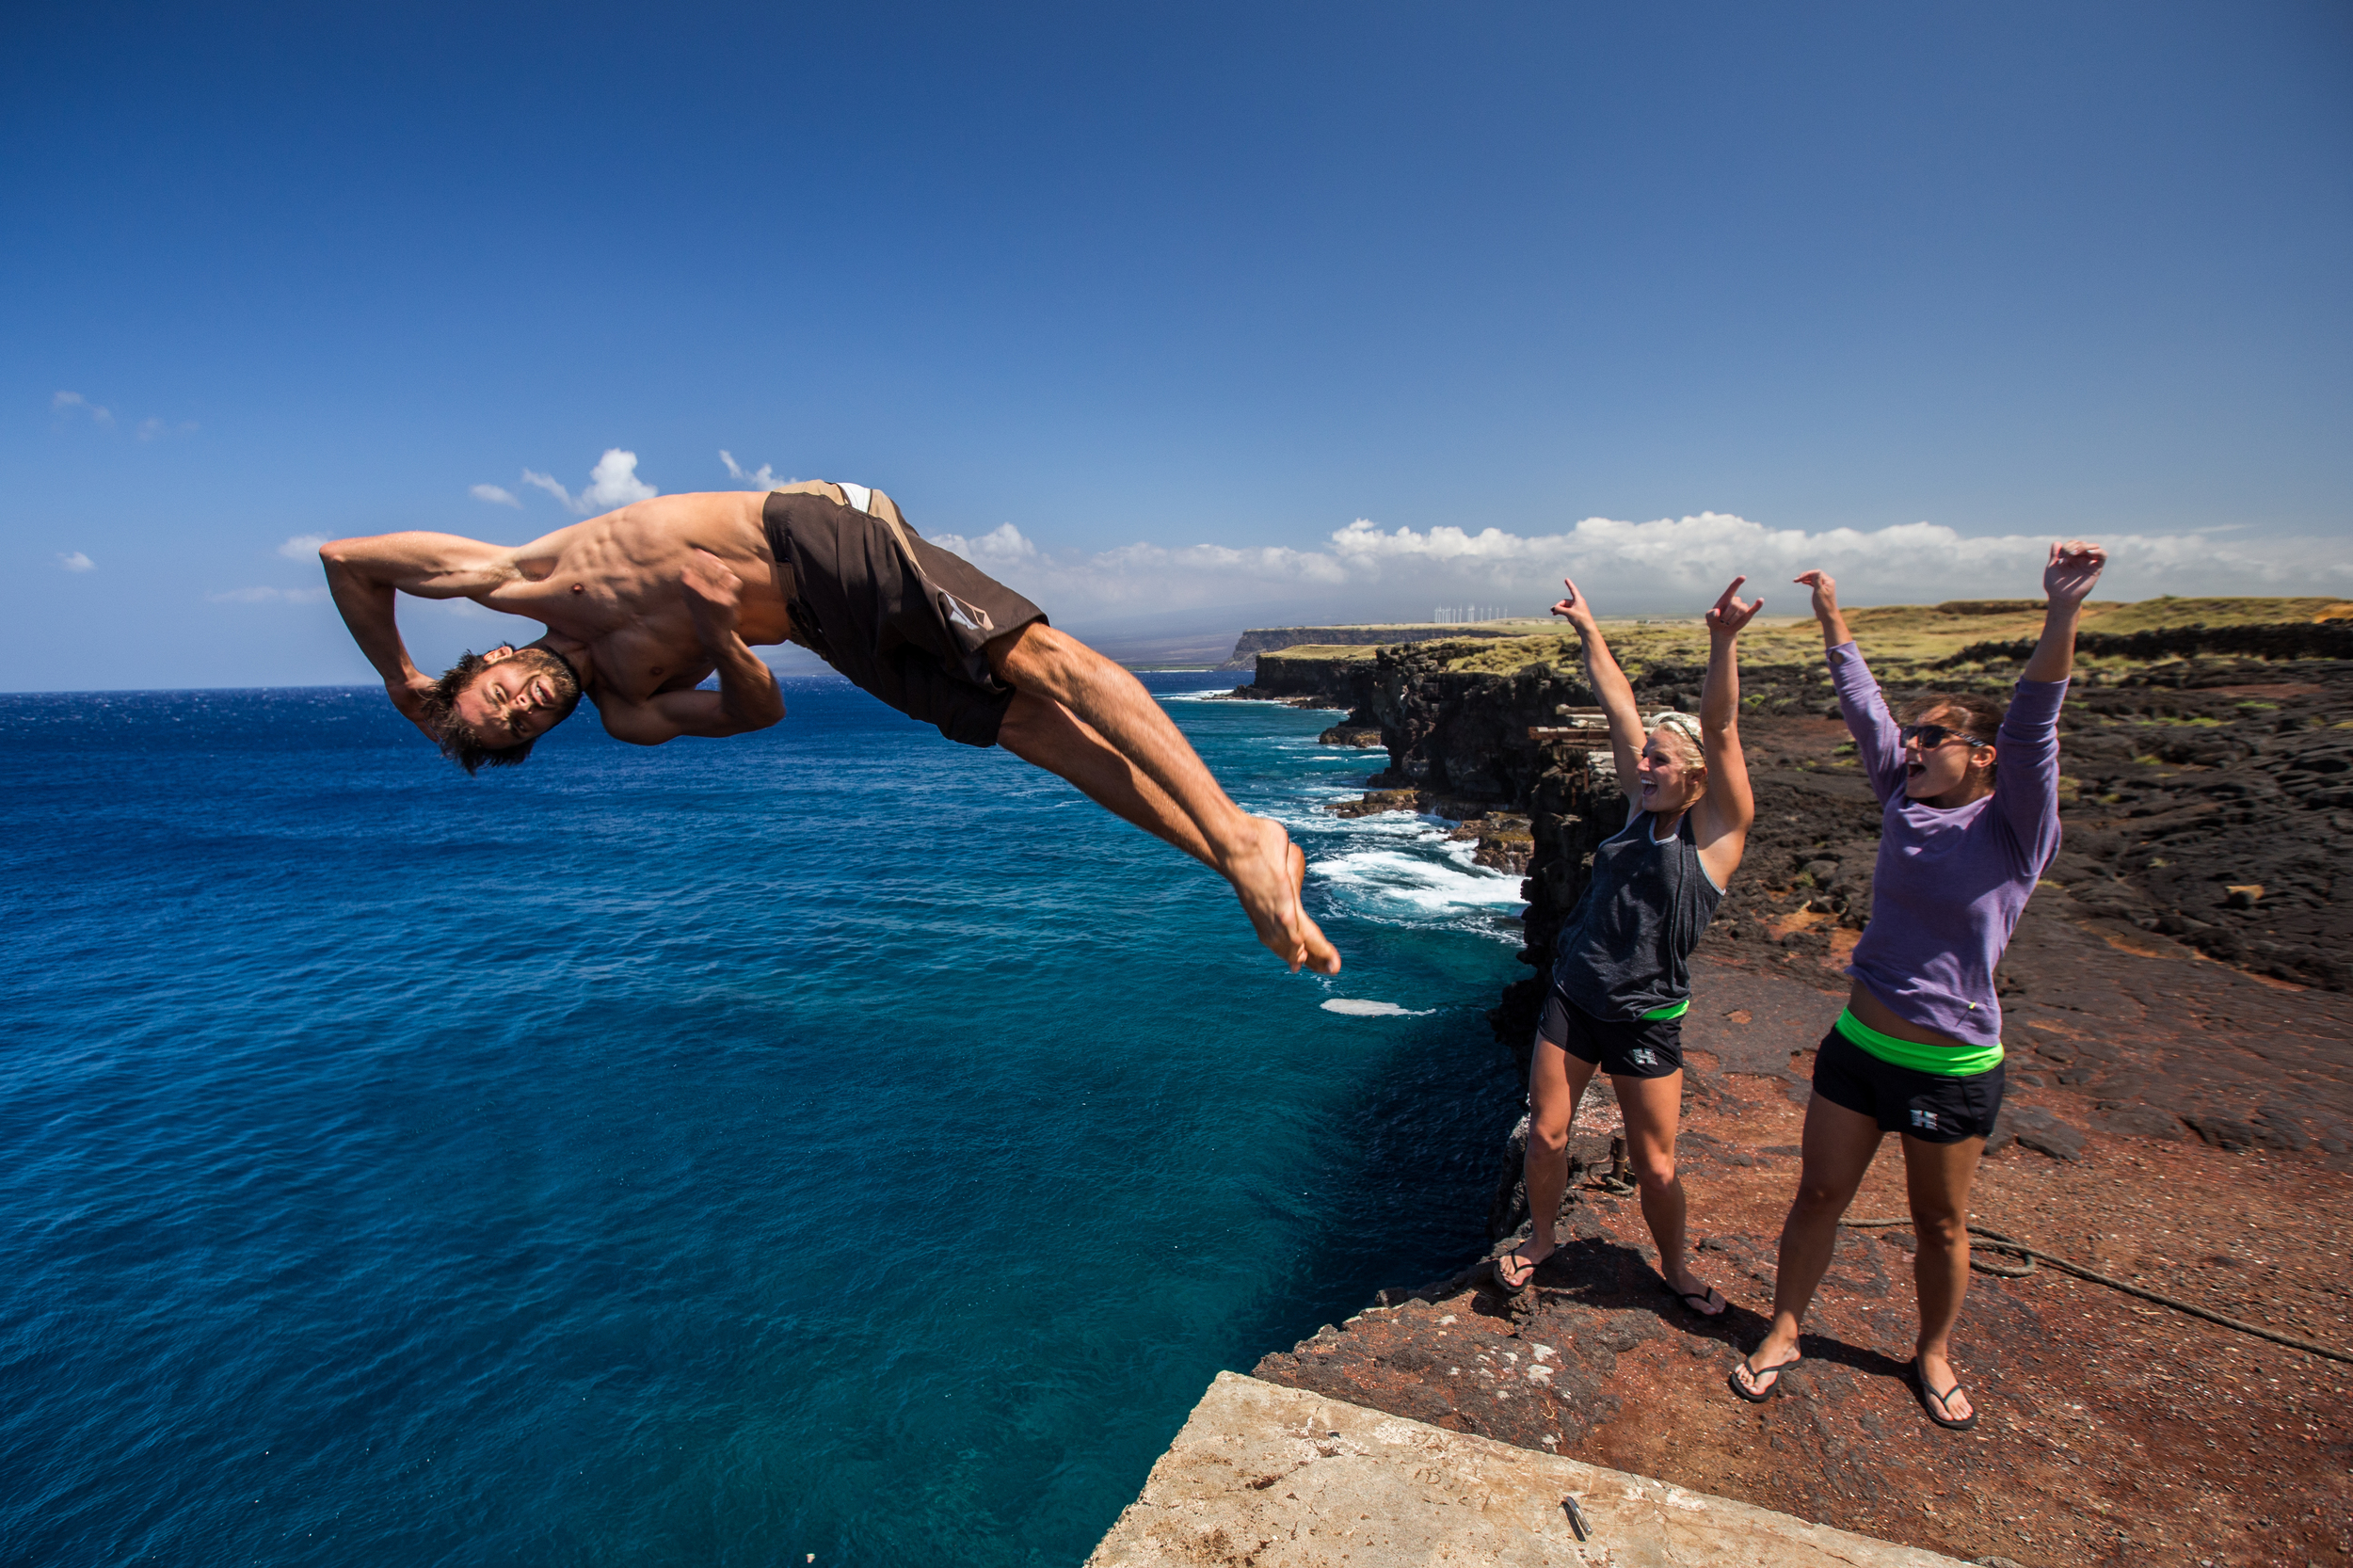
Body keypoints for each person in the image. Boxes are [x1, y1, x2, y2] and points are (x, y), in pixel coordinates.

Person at [318, 480, 1338, 975]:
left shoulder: (520, 577)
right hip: (816, 627)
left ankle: (1238, 833)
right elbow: (757, 709)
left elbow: (344, 559)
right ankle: (1233, 858)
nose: (523, 708)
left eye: (497, 700)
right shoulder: (629, 708)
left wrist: (403, 677)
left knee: (1038, 657)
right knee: (1023, 727)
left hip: (811, 538)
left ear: (492, 660)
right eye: (516, 732)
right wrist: (719, 630)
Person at [1728, 541, 2107, 1431]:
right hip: (1858, 1049)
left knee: (1939, 1223)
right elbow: (1864, 710)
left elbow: (2035, 719)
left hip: (1951, 1067)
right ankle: (1784, 1328)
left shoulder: (2017, 831)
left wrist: (2062, 611)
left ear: (1982, 758)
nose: (1916, 746)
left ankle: (1932, 1352)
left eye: (1936, 737)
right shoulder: (1902, 800)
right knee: (1818, 1195)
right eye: (1917, 734)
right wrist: (1829, 613)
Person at [1493, 574, 1761, 1317]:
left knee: (1655, 1164)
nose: (1642, 767)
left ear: (1698, 778)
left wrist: (1722, 642)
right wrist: (1587, 628)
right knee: (1546, 1137)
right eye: (1643, 757)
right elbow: (1618, 703)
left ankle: (1674, 1266)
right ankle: (1543, 1240)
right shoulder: (1636, 813)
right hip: (1576, 996)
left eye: (1660, 761)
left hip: (1647, 1014)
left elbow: (1724, 727)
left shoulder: (1715, 840)